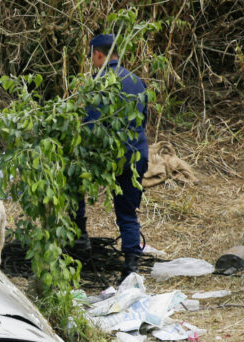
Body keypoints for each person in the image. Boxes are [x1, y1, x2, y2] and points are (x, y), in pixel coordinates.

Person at [79, 33, 149, 281]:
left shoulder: (99, 83)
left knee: (73, 181)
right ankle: (131, 267)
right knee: (127, 213)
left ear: (99, 54)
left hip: (107, 156)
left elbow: (89, 126)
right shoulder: (137, 81)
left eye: (93, 58)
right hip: (136, 154)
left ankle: (79, 241)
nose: (93, 62)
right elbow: (144, 120)